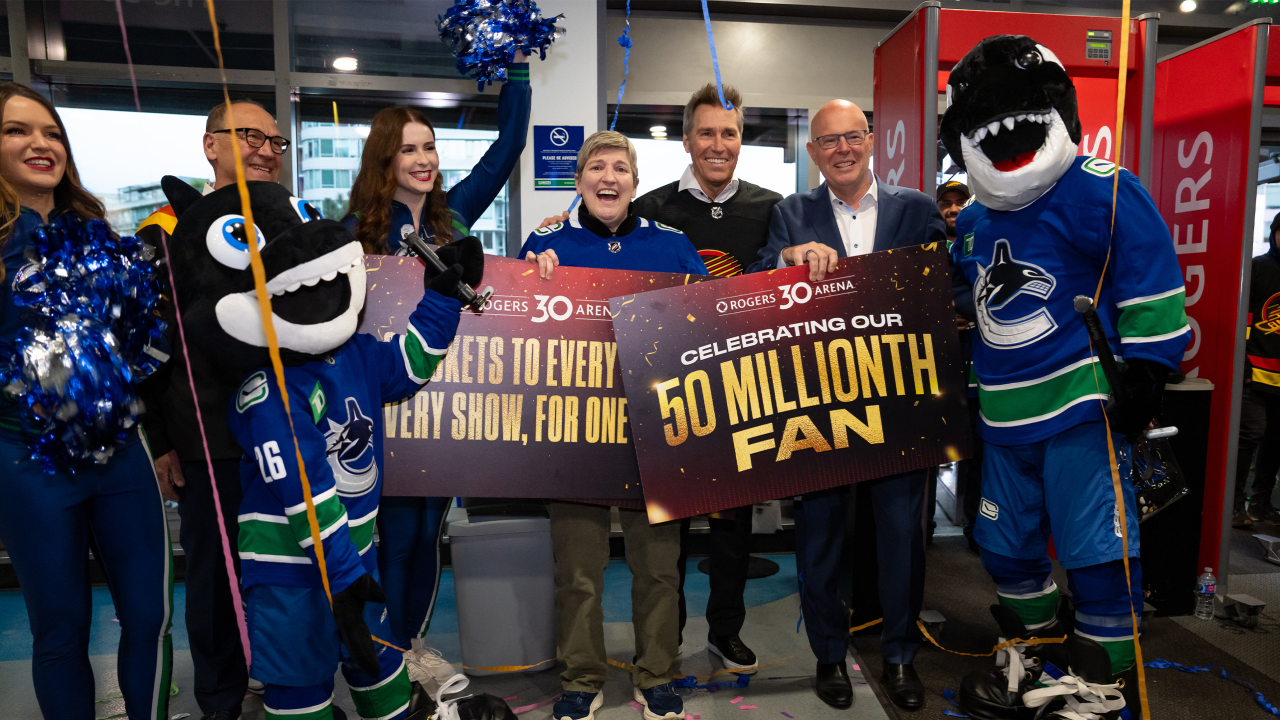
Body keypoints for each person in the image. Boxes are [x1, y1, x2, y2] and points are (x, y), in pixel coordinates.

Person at [750, 99, 945, 711]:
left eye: (852, 136)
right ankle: (829, 655)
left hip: (900, 400)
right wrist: (785, 259)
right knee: (820, 538)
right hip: (819, 403)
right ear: (813, 152)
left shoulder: (917, 209)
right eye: (829, 141)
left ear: (870, 140)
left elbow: (946, 286)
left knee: (902, 538)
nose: (843, 149)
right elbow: (756, 279)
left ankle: (900, 657)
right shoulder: (791, 213)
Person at [340, 56, 530, 676]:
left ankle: (413, 644)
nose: (424, 160)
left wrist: (518, 73)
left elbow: (506, 149)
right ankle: (387, 651)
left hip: (448, 405)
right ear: (384, 159)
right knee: (394, 537)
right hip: (388, 403)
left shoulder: (456, 214)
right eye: (408, 149)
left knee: (428, 534)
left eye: (429, 147)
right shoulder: (355, 231)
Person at [0, 82, 174, 719]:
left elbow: (145, 341)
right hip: (28, 462)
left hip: (120, 455)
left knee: (150, 616)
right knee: (60, 629)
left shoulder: (99, 235)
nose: (40, 143)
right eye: (17, 130)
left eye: (51, 132)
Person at [519, 131, 706, 720]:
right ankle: (581, 678)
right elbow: (515, 325)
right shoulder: (546, 244)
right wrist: (529, 277)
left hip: (657, 431)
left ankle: (657, 675)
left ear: (635, 182)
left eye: (620, 168)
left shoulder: (673, 245)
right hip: (575, 432)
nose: (608, 177)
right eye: (596, 167)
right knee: (578, 571)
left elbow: (711, 324)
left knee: (658, 568)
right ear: (578, 182)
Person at [135, 97, 286, 719]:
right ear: (210, 145)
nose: (265, 151)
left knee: (286, 569)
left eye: (275, 141)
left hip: (287, 434)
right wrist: (160, 440)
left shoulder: (289, 223)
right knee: (216, 579)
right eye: (250, 135)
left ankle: (287, 685)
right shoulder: (165, 230)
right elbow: (146, 344)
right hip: (207, 436)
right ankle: (220, 700)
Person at [634, 82, 782, 672]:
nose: (718, 144)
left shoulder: (773, 207)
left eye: (729, 132)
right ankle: (664, 636)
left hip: (742, 390)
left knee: (733, 528)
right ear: (687, 139)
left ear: (741, 139)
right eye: (706, 133)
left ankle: (726, 631)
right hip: (668, 390)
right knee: (666, 529)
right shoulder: (651, 208)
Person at [937, 180, 983, 551]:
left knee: (978, 459)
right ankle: (921, 531)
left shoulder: (979, 243)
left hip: (981, 375)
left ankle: (975, 530)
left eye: (960, 202)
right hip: (939, 375)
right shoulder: (929, 250)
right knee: (931, 454)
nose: (953, 209)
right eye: (946, 203)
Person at [1233, 212, 1280, 528]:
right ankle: (1234, 505)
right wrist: (1244, 364)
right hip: (1255, 373)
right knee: (1250, 435)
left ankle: (1261, 504)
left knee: (1275, 442)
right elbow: (1245, 320)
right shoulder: (1258, 268)